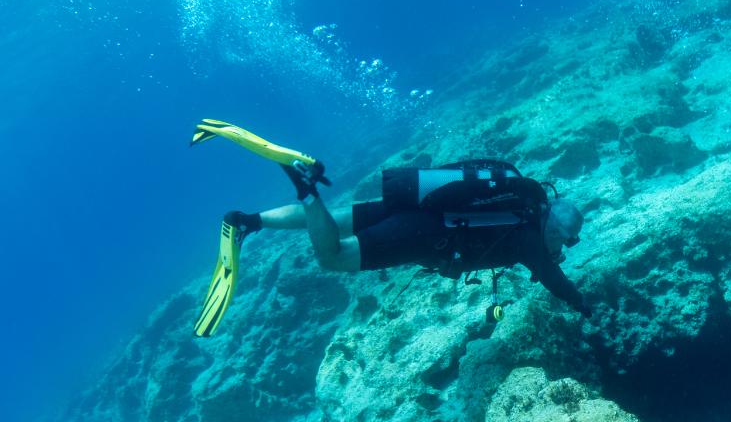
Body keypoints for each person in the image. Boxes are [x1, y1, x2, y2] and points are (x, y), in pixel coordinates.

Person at [191, 119, 591, 337]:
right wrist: (586, 310)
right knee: (334, 256)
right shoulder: (526, 236)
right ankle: (305, 189)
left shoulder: (513, 201)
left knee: (339, 217)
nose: (561, 248)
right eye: (563, 239)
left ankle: (246, 221)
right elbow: (556, 280)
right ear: (553, 227)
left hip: (414, 201)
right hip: (424, 232)